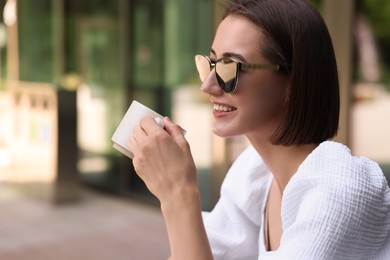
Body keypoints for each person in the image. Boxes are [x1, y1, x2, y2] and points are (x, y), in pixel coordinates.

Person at [128, 0, 390, 259]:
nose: (207, 86)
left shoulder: (339, 190)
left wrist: (178, 194)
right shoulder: (254, 171)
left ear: (293, 81)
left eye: (229, 68)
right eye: (211, 64)